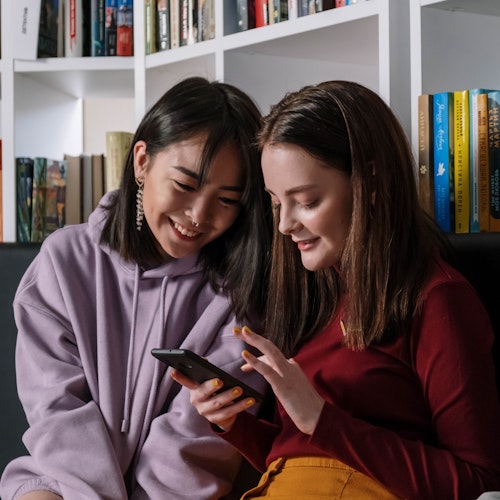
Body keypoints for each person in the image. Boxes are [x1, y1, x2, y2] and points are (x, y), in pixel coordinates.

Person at [174, 80, 500, 499]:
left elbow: (479, 482)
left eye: (306, 201)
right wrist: (234, 423)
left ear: (372, 184)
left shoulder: (438, 301)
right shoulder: (317, 295)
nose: (285, 224)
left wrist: (321, 419)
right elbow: (299, 455)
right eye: (276, 203)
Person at [0, 76, 272, 500]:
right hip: (64, 480)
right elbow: (57, 413)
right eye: (185, 185)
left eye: (227, 200)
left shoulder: (239, 291)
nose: (199, 215)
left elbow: (194, 444)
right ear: (141, 161)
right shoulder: (64, 261)